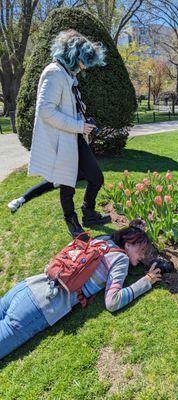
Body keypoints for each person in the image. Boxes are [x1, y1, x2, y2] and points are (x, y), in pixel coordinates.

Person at [0, 222, 162, 360]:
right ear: (127, 244)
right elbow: (113, 301)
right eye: (141, 250)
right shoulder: (121, 259)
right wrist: (147, 281)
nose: (143, 255)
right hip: (40, 306)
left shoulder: (101, 240)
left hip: (28, 285)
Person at [28, 29, 111, 239]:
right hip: (64, 138)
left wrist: (82, 122)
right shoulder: (54, 72)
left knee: (96, 177)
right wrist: (77, 126)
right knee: (67, 184)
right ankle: (71, 220)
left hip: (75, 136)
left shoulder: (67, 74)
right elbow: (45, 110)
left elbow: (68, 107)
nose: (84, 67)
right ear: (74, 56)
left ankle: (88, 213)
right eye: (83, 62)